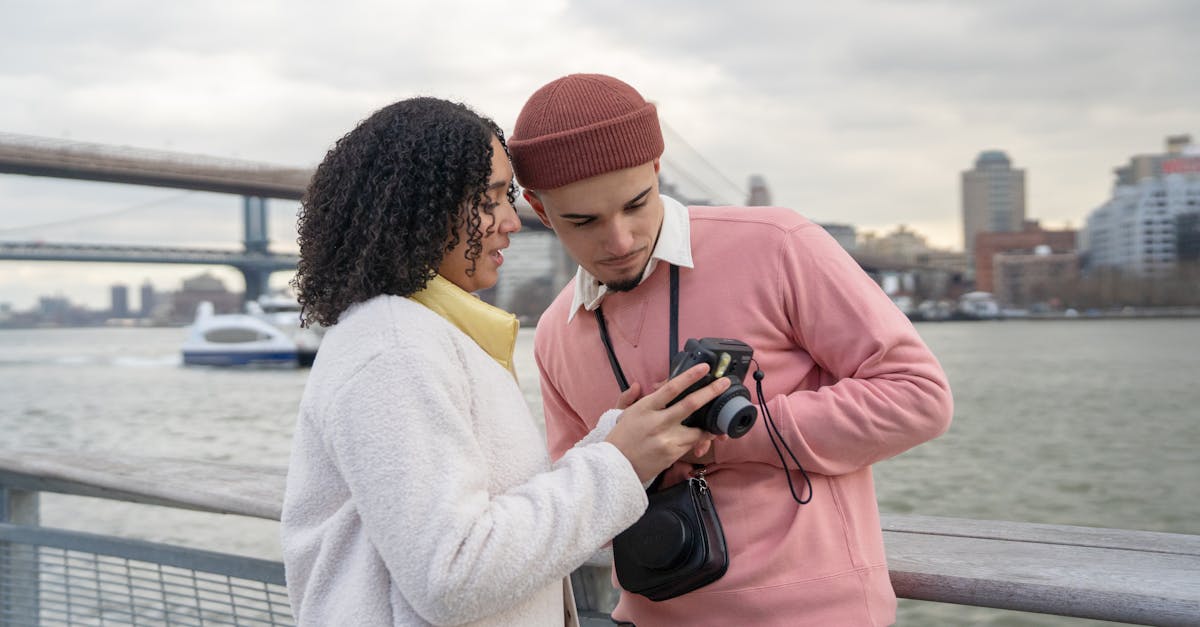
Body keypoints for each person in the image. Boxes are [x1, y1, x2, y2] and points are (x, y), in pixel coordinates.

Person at [509, 74, 954, 627]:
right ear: (540, 210)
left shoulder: (777, 244)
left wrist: (724, 439)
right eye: (584, 221)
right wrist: (622, 455)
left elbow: (919, 397)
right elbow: (577, 513)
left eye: (636, 205)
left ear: (656, 169)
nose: (619, 241)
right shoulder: (554, 330)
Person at [279, 96, 733, 626]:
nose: (511, 222)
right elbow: (451, 576)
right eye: (490, 200)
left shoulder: (429, 334)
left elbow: (494, 517)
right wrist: (620, 463)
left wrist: (618, 439)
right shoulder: (395, 346)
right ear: (421, 207)